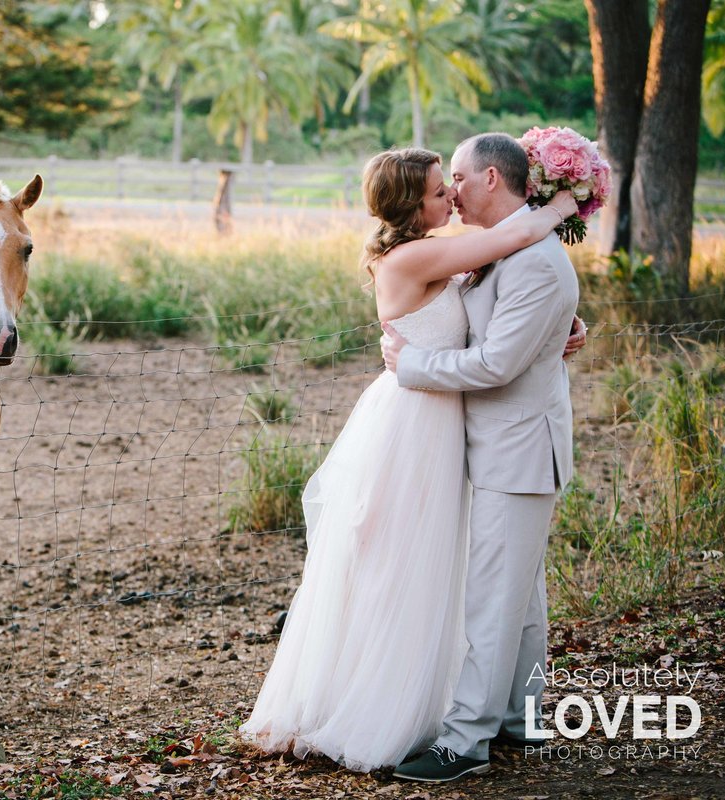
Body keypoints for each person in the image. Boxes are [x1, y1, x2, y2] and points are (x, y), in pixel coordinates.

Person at [238, 145, 581, 772]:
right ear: (411, 206)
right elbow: (521, 232)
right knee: (410, 569)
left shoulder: (447, 252)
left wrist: (556, 328)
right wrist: (563, 201)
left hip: (457, 425)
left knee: (501, 587)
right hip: (418, 423)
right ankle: (402, 707)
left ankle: (510, 720)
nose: (449, 194)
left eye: (451, 182)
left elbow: (496, 317)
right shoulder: (424, 253)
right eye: (436, 189)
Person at [384, 133, 582, 783]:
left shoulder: (532, 260)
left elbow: (495, 363)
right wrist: (564, 330)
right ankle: (523, 720)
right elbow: (501, 325)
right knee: (520, 600)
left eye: (460, 178)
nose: (454, 191)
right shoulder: (504, 252)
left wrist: (411, 364)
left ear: (492, 178)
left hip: (519, 451)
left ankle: (464, 742)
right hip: (502, 447)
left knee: (494, 600)